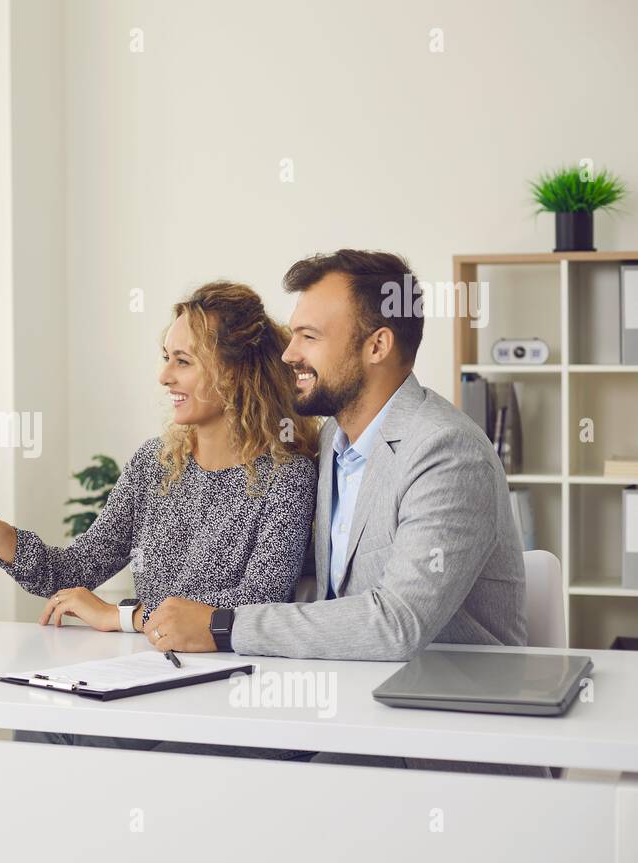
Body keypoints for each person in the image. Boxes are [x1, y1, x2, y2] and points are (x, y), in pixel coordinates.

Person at [137, 250, 537, 775]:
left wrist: (221, 625)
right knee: (135, 741)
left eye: (309, 337)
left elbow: (397, 623)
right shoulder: (332, 442)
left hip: (438, 733)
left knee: (181, 771)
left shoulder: (446, 452)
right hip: (347, 706)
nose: (287, 355)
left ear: (377, 345)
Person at [0, 280, 319, 758]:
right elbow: (77, 570)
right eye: (165, 357)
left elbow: (257, 603)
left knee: (94, 743)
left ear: (236, 372)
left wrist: (122, 617)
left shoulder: (289, 476)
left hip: (226, 689)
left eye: (183, 361)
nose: (163, 376)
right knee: (34, 721)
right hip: (147, 673)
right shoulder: (153, 464)